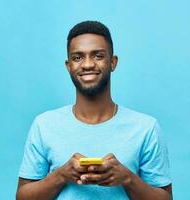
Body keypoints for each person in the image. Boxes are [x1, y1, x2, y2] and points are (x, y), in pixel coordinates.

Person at [16, 20, 172, 200]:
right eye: (77, 57)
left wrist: (127, 178)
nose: (87, 64)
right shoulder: (44, 125)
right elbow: (22, 197)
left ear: (113, 62)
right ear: (68, 67)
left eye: (98, 56)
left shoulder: (146, 128)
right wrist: (61, 176)